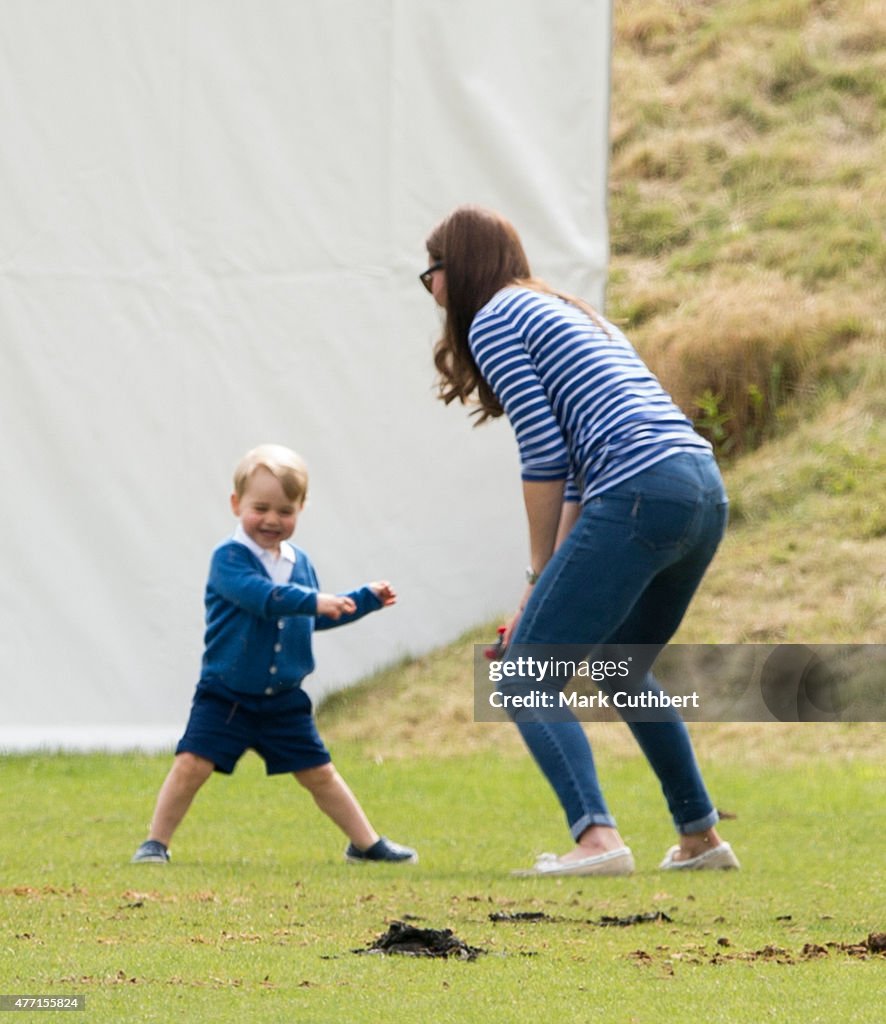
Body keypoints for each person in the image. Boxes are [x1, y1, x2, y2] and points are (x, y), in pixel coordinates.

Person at [420, 205, 738, 876]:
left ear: (461, 267)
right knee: (624, 667)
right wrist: (543, 584)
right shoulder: (570, 310)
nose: (433, 291)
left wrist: (537, 576)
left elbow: (545, 455)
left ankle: (597, 841)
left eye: (433, 272)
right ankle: (701, 838)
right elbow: (575, 474)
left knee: (523, 675)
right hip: (700, 487)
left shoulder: (495, 318)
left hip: (639, 490)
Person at [132, 444, 417, 866]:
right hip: (227, 693)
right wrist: (317, 600)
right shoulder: (228, 558)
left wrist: (362, 600)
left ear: (302, 508)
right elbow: (263, 597)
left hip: (284, 698)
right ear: (236, 504)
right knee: (192, 762)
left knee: (319, 773)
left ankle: (366, 844)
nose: (271, 520)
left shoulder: (300, 564)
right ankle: (155, 843)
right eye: (260, 507)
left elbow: (312, 618)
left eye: (285, 510)